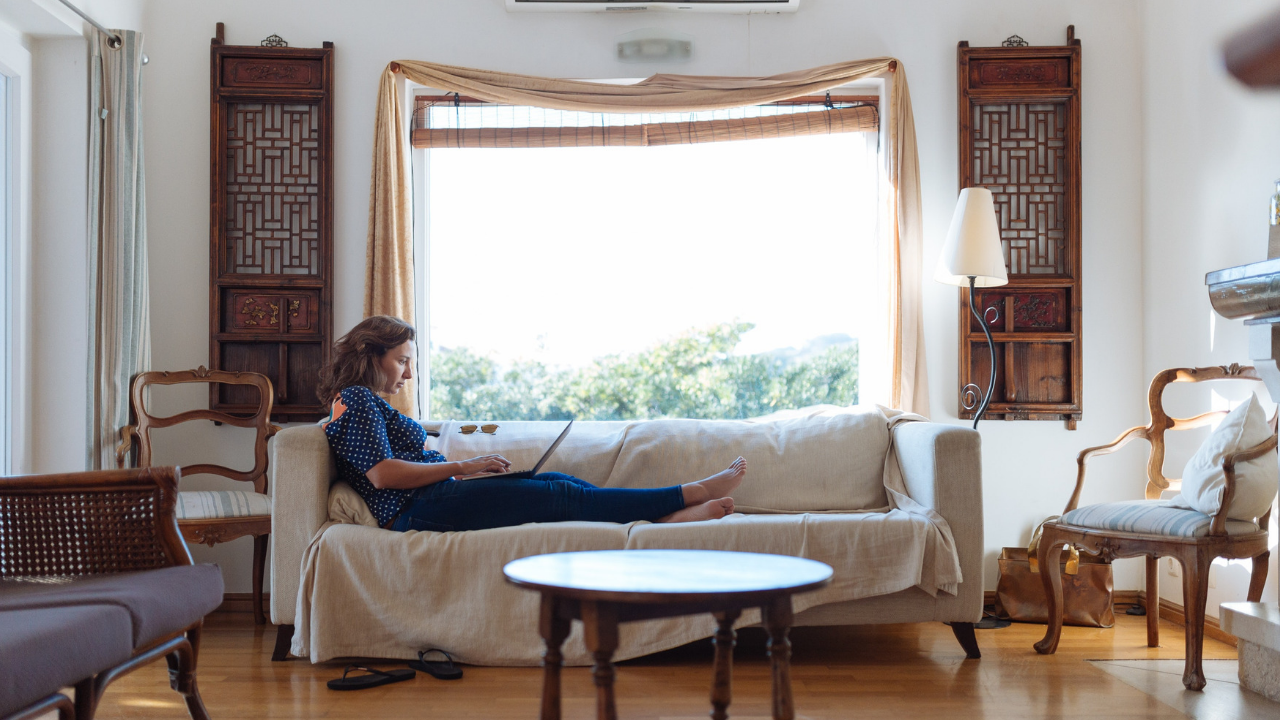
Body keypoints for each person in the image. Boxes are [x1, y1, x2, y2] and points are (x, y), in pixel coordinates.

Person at [316, 315, 746, 533]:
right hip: (417, 509)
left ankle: (664, 521)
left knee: (561, 481)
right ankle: (689, 492)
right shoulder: (355, 399)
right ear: (372, 355)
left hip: (435, 497)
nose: (408, 374)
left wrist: (461, 471)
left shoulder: (361, 402)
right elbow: (383, 475)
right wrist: (463, 466)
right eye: (402, 361)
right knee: (561, 494)